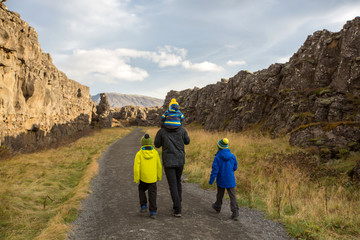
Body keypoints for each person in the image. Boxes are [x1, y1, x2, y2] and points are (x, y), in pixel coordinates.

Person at [154, 125, 190, 217]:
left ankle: (177, 209)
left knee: (173, 184)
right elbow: (187, 141)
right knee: (178, 182)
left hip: (168, 161)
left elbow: (157, 144)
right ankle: (178, 203)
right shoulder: (182, 130)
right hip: (180, 160)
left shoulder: (162, 131)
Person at [209, 138, 239, 221]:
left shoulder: (217, 157)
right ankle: (235, 212)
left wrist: (211, 180)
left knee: (220, 194)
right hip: (230, 179)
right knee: (232, 196)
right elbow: (235, 167)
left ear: (219, 147)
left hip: (221, 179)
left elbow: (215, 170)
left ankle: (217, 207)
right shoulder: (232, 156)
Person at [134, 133, 162, 219]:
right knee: (152, 194)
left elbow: (136, 167)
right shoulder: (155, 153)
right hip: (153, 178)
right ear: (150, 143)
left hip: (143, 178)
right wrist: (159, 176)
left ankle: (143, 206)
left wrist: (137, 178)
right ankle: (153, 212)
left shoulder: (139, 154)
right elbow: (159, 166)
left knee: (141, 189)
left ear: (142, 143)